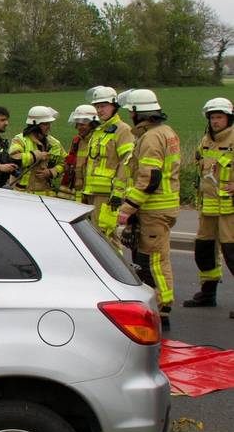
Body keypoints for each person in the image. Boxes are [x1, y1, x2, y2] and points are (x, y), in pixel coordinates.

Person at [116, 89, 180, 329]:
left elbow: (150, 178)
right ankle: (161, 306)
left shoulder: (151, 137)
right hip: (163, 207)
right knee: (158, 258)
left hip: (154, 208)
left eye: (131, 112)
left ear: (138, 113)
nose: (129, 116)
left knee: (152, 261)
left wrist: (128, 207)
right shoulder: (166, 132)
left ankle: (161, 309)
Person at [182, 97, 234, 316]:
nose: (215, 121)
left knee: (232, 254)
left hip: (230, 209)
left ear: (229, 118)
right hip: (208, 207)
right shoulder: (205, 141)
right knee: (204, 251)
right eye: (212, 117)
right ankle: (208, 293)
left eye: (219, 117)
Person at [83, 86, 135, 241]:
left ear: (114, 105)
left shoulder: (122, 130)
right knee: (95, 237)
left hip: (109, 195)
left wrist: (118, 193)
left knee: (107, 238)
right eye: (97, 106)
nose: (100, 110)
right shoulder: (99, 130)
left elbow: (126, 162)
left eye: (103, 106)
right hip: (93, 193)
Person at [7, 106, 63, 194]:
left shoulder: (55, 143)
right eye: (45, 124)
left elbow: (64, 163)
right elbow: (14, 158)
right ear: (35, 125)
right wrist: (37, 155)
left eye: (49, 123)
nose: (49, 127)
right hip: (23, 194)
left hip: (47, 195)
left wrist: (51, 172)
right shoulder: (20, 140)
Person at [58, 105, 98, 201]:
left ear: (93, 124)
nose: (79, 127)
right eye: (78, 124)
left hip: (92, 192)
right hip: (75, 191)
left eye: (83, 124)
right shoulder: (76, 140)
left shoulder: (98, 141)